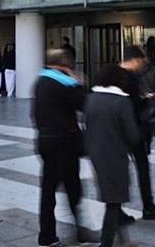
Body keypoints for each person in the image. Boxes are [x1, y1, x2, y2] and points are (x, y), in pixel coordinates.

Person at [32, 49, 95, 247]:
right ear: (64, 65)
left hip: (45, 141)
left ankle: (47, 235)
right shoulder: (63, 83)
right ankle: (81, 233)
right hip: (64, 143)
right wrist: (79, 83)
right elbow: (85, 104)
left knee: (48, 190)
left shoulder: (40, 82)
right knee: (73, 188)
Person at [85, 64, 140, 247]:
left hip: (96, 155)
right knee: (114, 202)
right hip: (115, 156)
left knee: (113, 199)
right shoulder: (122, 102)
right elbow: (132, 135)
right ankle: (106, 243)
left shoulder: (91, 99)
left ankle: (124, 240)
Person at [118, 46, 155, 221]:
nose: (141, 66)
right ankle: (148, 206)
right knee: (142, 167)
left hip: (117, 131)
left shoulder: (112, 74)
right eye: (140, 62)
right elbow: (134, 105)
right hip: (134, 129)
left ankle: (117, 209)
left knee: (120, 170)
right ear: (135, 60)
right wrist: (146, 100)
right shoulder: (131, 78)